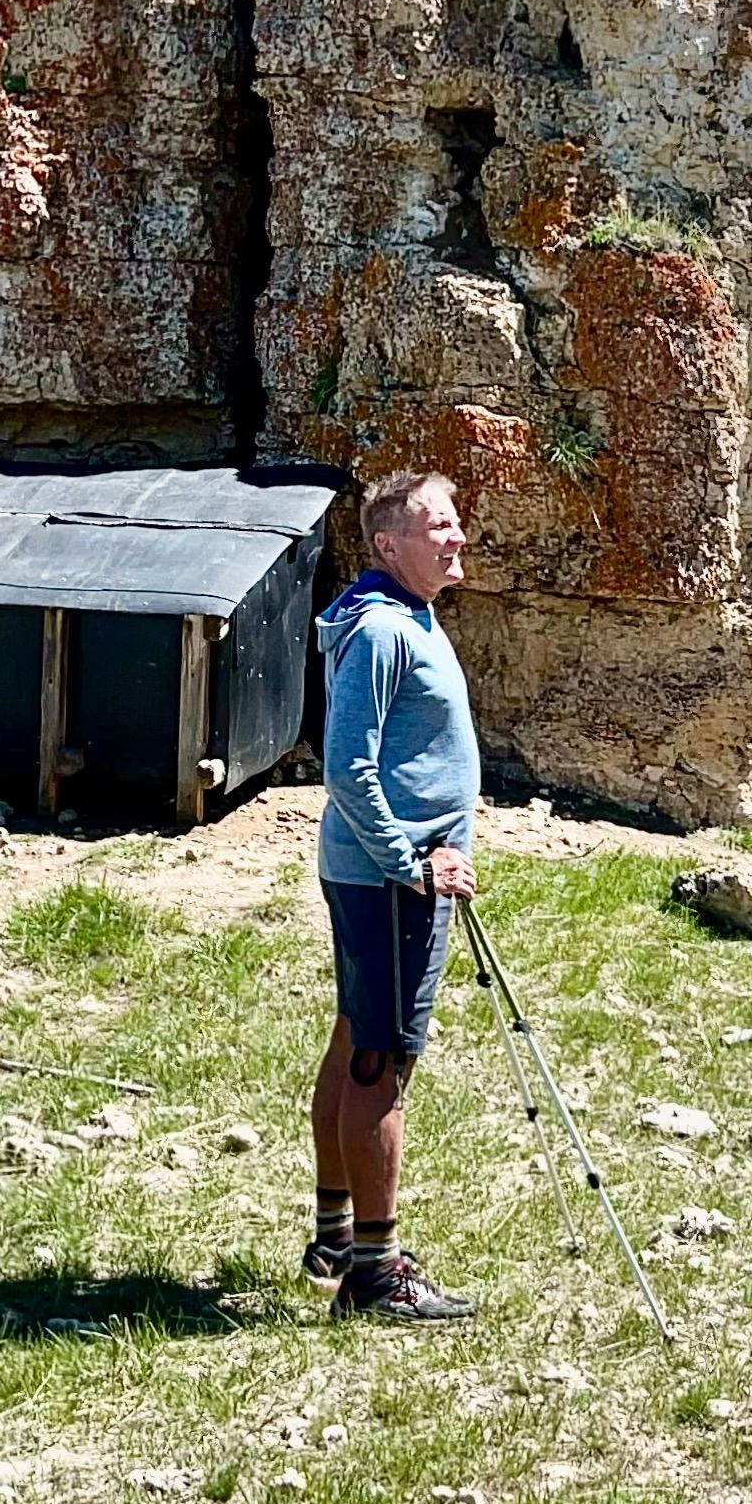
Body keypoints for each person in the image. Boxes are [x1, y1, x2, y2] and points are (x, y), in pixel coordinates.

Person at [306, 467, 481, 1321]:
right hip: (390, 881)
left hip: (377, 874)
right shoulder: (382, 632)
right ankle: (375, 1272)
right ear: (388, 545)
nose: (456, 538)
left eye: (455, 523)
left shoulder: (401, 616)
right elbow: (348, 767)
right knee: (382, 1057)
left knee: (354, 1035)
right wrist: (413, 859)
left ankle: (336, 1235)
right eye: (438, 526)